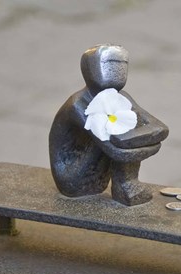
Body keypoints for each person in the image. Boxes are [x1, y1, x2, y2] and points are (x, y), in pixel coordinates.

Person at [49, 44, 168, 206]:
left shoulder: (121, 96)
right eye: (109, 64)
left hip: (98, 171)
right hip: (73, 177)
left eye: (122, 65)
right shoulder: (78, 103)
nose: (117, 71)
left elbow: (159, 128)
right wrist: (149, 143)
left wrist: (131, 141)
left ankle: (126, 185)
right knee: (109, 127)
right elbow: (115, 148)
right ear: (89, 69)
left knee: (123, 123)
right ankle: (124, 186)